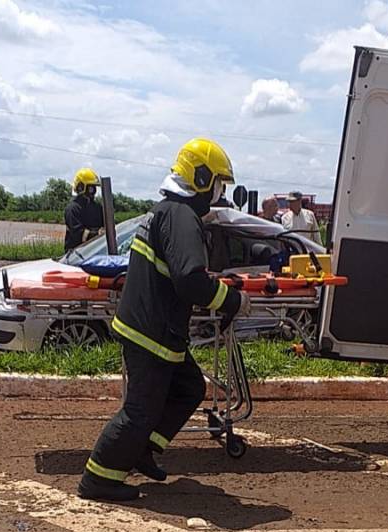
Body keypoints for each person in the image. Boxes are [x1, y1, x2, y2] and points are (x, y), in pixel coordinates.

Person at [78, 137, 250, 501]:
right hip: (151, 333)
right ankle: (98, 480)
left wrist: (216, 292)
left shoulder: (165, 211)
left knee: (190, 388)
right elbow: (189, 279)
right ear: (202, 179)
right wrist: (230, 299)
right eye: (219, 184)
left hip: (155, 330)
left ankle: (143, 449)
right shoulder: (182, 217)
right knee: (140, 410)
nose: (220, 193)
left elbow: (179, 275)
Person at [64, 168, 103, 251]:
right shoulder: (72, 209)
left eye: (94, 188)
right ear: (81, 187)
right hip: (75, 255)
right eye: (91, 188)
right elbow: (78, 234)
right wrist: (98, 234)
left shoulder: (98, 208)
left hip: (96, 252)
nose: (93, 191)